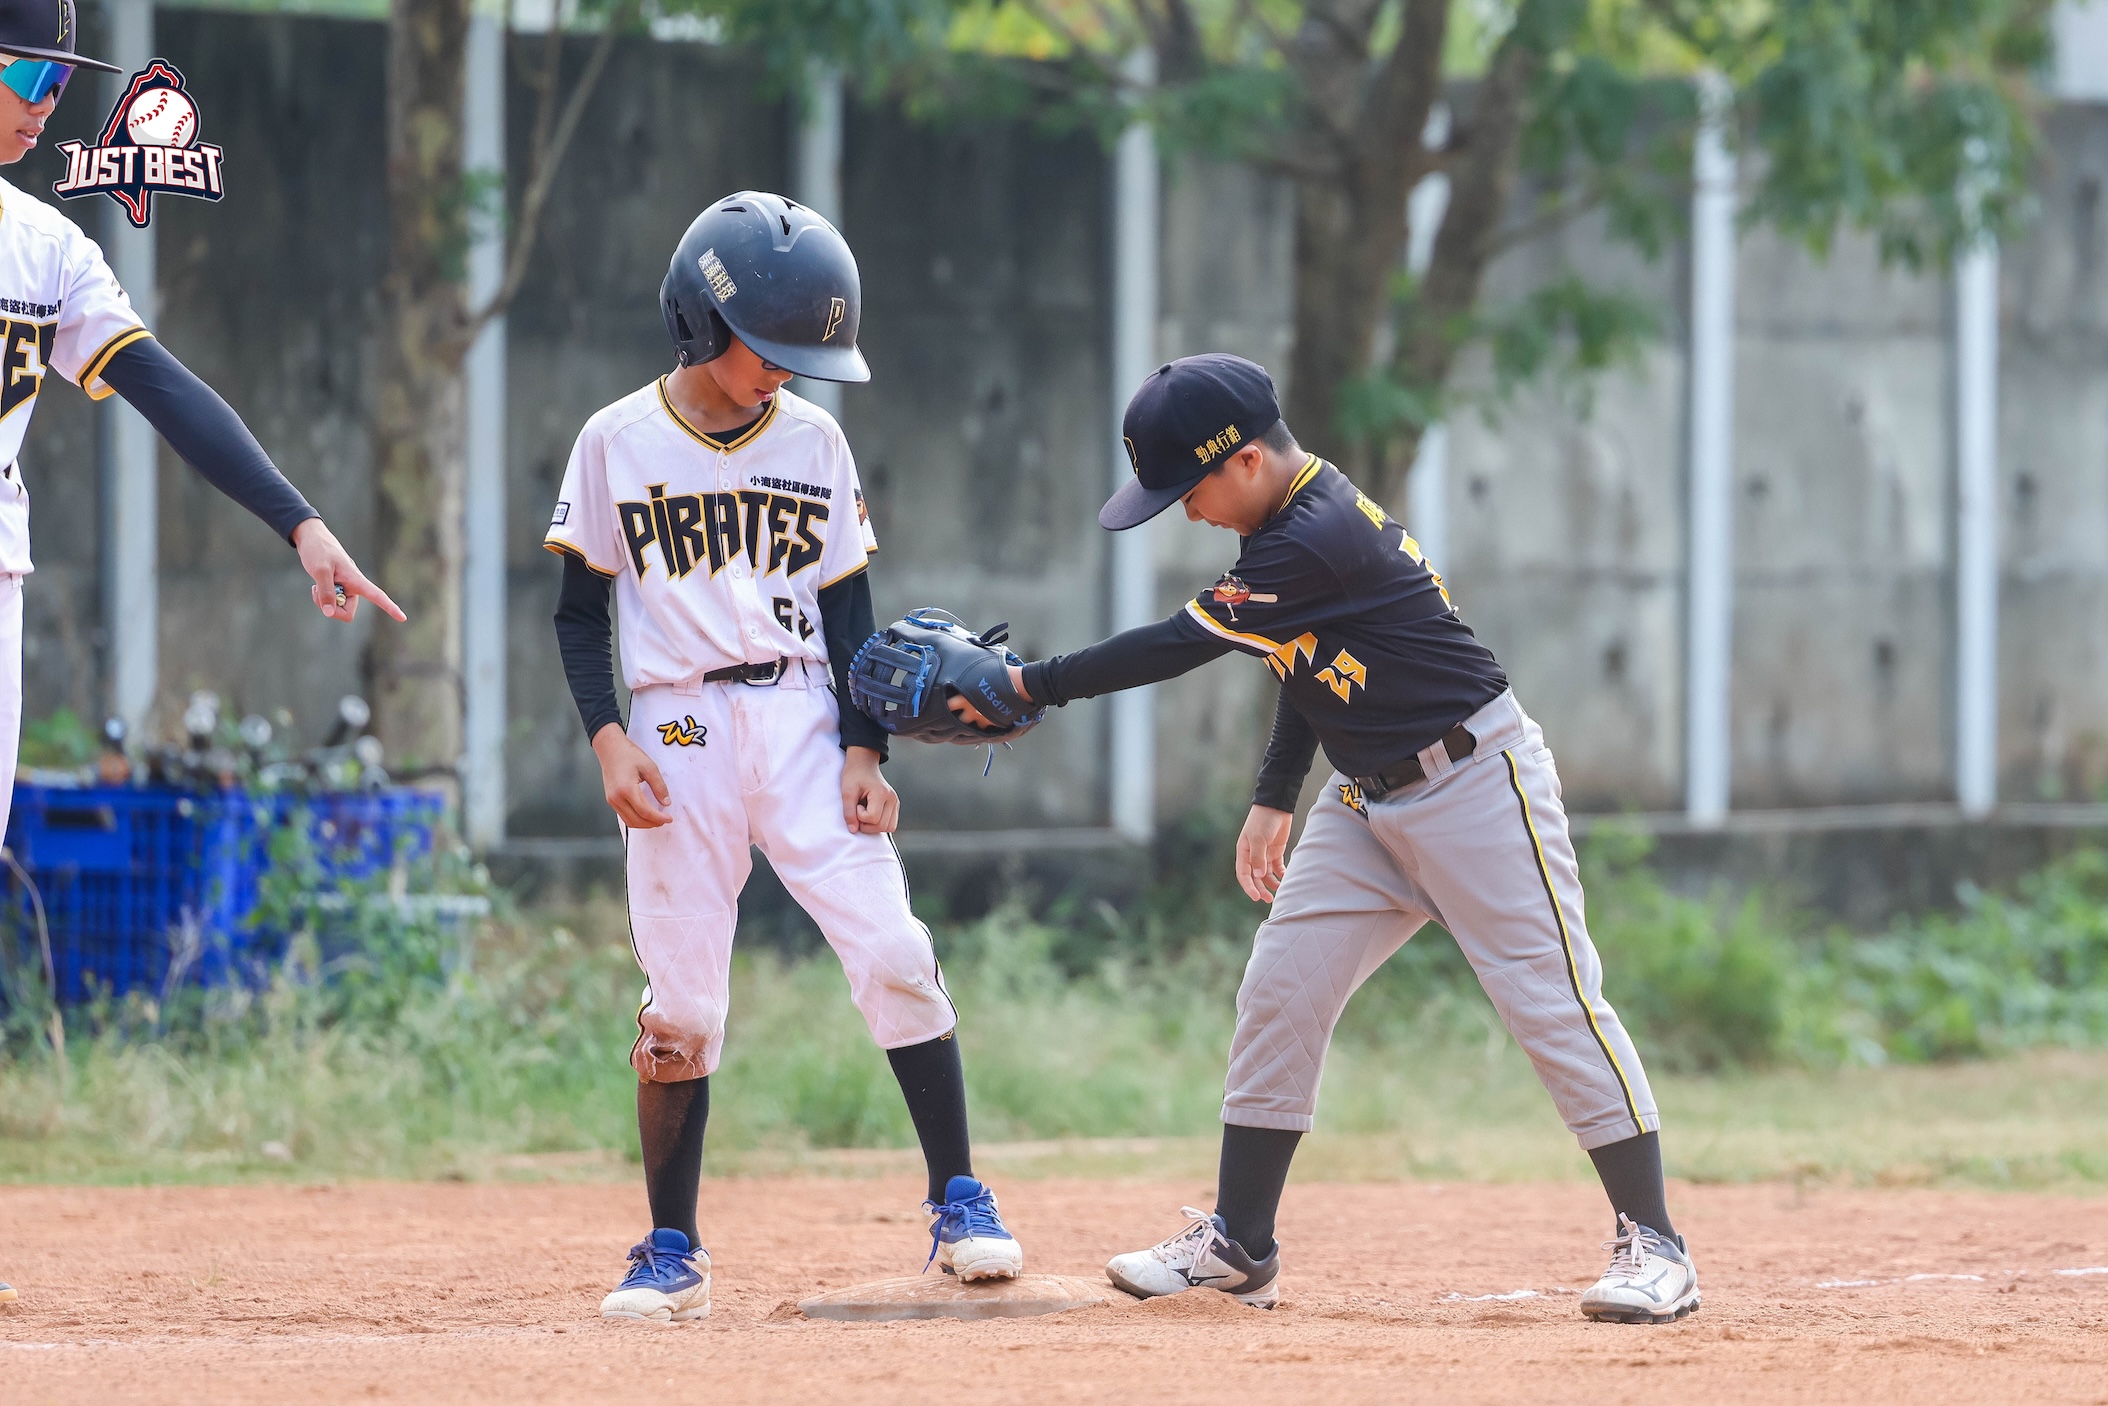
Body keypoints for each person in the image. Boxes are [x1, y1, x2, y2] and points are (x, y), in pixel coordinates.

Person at [952, 353, 1699, 1324]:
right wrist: (1273, 791)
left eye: (1188, 487)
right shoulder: (1288, 530)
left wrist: (1027, 685)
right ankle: (1238, 1244)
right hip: (1365, 802)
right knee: (1279, 988)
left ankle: (1655, 1243)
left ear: (1248, 458)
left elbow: (1181, 645)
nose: (1183, 511)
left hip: (1474, 781)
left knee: (1551, 1000)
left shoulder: (1315, 535)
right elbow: (1303, 659)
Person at [546, 191, 1022, 1324]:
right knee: (682, 1004)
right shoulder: (616, 438)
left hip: (805, 713)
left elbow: (848, 609)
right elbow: (576, 613)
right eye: (774, 350)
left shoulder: (814, 439)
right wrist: (605, 736)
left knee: (894, 944)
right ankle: (670, 1247)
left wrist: (866, 748)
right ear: (699, 324)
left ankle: (958, 1198)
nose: (790, 375)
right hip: (674, 726)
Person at [0, 0, 401, 1309]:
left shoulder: (46, 246)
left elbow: (162, 386)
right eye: (22, 65)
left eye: (59, 72)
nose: (46, 96)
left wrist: (302, 524)